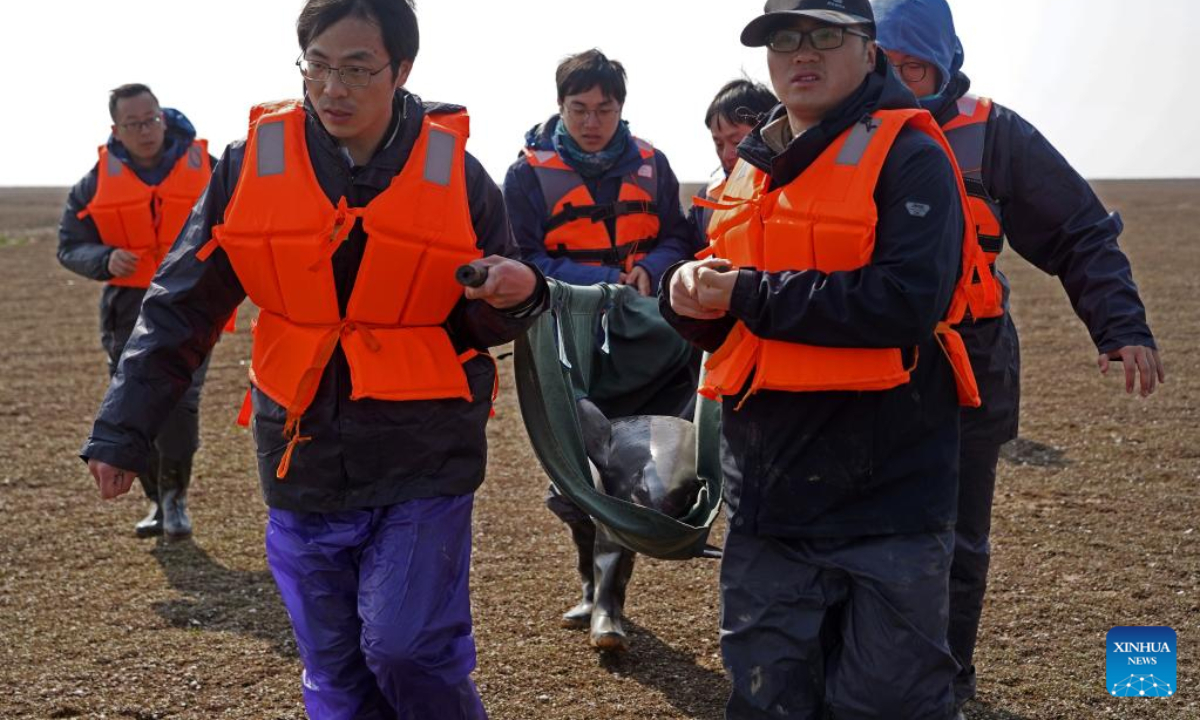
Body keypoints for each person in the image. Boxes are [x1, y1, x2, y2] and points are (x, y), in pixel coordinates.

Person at [80, 0, 546, 716]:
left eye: (358, 69)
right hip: (300, 452)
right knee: (336, 671)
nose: (335, 88)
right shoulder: (248, 164)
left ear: (402, 70)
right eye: (319, 66)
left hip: (425, 452)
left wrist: (516, 298)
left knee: (408, 647)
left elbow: (486, 310)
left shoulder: (460, 173)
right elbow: (182, 300)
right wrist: (123, 428)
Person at [663, 0, 991, 716]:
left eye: (825, 35)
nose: (801, 53)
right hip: (769, 499)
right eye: (784, 38)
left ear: (869, 50)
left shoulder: (911, 153)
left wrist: (746, 292)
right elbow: (734, 319)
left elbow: (906, 301)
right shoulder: (748, 169)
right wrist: (687, 301)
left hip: (890, 501)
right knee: (766, 699)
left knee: (887, 703)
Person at [873, 0, 1164, 709]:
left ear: (946, 62)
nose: (903, 84)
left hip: (972, 364)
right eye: (888, 66)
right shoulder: (833, 129)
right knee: (862, 536)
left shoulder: (992, 132)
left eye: (918, 67)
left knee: (959, 541)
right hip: (864, 363)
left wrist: (1120, 325)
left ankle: (949, 676)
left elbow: (1079, 231)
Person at [503, 49, 697, 652]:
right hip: (562, 336)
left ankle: (609, 603)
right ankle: (590, 583)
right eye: (579, 108)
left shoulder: (653, 164)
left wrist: (653, 269)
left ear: (621, 108)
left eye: (604, 109)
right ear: (560, 107)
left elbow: (676, 235)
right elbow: (524, 257)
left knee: (625, 465)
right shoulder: (525, 175)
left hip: (642, 340)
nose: (592, 121)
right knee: (573, 474)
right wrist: (593, 286)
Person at [58, 83, 216, 540]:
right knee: (136, 405)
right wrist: (104, 259)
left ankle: (175, 497)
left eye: (152, 119)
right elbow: (70, 245)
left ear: (162, 118)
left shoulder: (207, 167)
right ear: (116, 129)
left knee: (180, 402)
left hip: (191, 302)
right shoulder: (94, 181)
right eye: (134, 124)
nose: (146, 130)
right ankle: (154, 502)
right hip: (127, 308)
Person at [689, 78, 777, 245]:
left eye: (737, 142)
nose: (727, 154)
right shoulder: (707, 199)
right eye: (718, 143)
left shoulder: (790, 186)